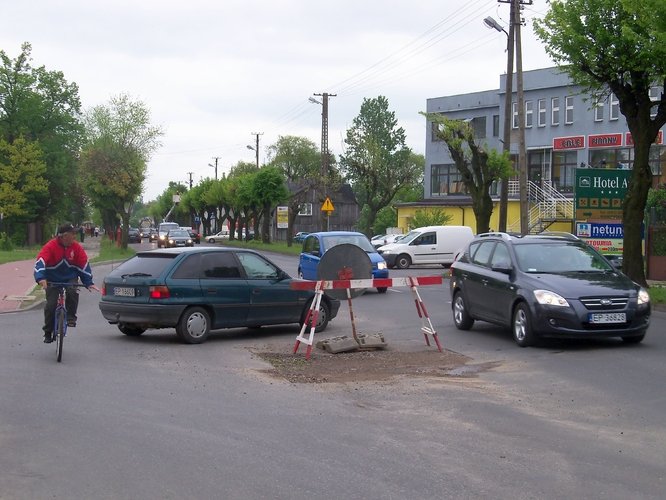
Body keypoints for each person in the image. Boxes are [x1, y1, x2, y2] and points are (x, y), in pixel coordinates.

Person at [34, 223, 100, 343]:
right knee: (51, 305)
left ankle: (71, 317)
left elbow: (83, 265)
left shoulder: (76, 247)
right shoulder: (50, 246)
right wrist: (41, 278)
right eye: (72, 234)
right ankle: (48, 332)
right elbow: (40, 262)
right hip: (52, 278)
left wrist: (88, 282)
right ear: (64, 236)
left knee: (72, 291)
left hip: (70, 277)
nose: (75, 237)